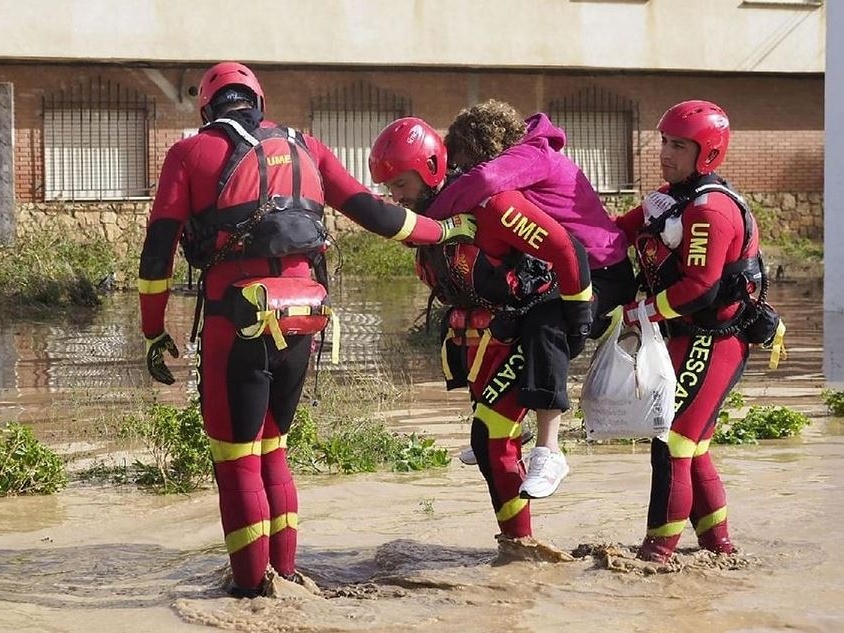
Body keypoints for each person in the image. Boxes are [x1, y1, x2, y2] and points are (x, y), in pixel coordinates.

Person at [137, 62, 477, 598]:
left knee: (237, 457)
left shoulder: (189, 153)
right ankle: (286, 577)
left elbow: (157, 256)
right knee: (274, 447)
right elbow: (378, 214)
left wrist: (153, 331)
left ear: (207, 107)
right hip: (303, 321)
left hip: (236, 320)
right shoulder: (307, 147)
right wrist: (446, 228)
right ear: (259, 103)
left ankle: (251, 595)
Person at [369, 116, 593, 542]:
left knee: (492, 437)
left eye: (401, 184)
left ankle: (520, 544)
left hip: (528, 319)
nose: (395, 196)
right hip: (480, 334)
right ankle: (518, 545)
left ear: (431, 168)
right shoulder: (424, 217)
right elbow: (376, 216)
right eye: (389, 188)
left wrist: (577, 315)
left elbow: (565, 248)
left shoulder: (494, 206)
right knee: (490, 443)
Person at [427, 100, 635, 498]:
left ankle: (550, 450)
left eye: (463, 163)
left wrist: (429, 219)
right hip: (562, 270)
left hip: (603, 272)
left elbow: (485, 183)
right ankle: (505, 426)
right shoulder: (526, 156)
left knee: (546, 323)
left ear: (483, 149)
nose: (459, 174)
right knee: (506, 318)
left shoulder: (532, 154)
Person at [615, 99, 784, 562]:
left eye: (679, 145)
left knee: (671, 443)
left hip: (716, 339)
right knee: (695, 444)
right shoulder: (668, 198)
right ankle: (720, 548)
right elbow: (617, 233)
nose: (665, 153)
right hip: (688, 338)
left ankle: (656, 556)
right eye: (664, 142)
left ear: (706, 152)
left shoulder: (710, 210)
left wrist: (641, 312)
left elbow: (700, 287)